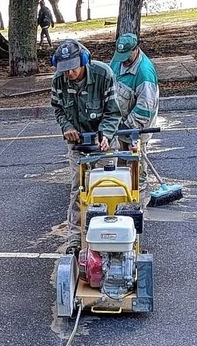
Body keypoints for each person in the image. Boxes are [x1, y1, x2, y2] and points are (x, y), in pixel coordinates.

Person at [50, 39, 121, 255]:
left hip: (103, 143)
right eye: (64, 70)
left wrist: (106, 134)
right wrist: (67, 127)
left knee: (106, 188)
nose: (69, 74)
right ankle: (75, 239)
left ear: (83, 61)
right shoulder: (58, 81)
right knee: (78, 191)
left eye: (72, 68)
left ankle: (109, 236)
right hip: (77, 145)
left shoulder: (103, 74)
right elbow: (58, 109)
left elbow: (113, 112)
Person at [109, 33, 159, 204]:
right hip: (119, 121)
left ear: (136, 49)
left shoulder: (144, 73)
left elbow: (144, 110)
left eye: (126, 56)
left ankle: (138, 201)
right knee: (121, 164)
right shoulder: (118, 60)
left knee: (135, 165)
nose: (122, 60)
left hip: (136, 126)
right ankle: (122, 195)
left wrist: (129, 128)